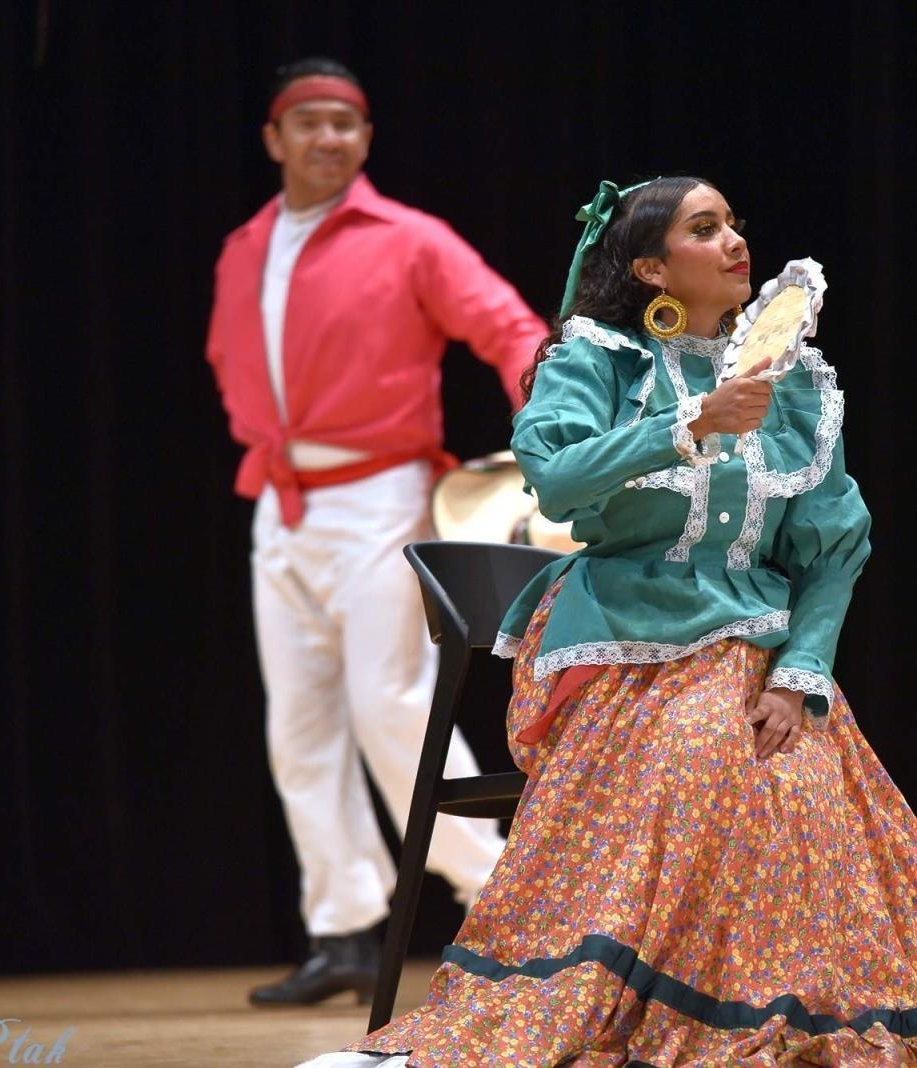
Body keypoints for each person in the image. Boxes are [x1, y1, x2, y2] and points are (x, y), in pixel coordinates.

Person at [299, 177, 917, 1064]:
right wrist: (688, 421)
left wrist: (801, 671)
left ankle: (799, 1007)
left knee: (799, 779)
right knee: (708, 759)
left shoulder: (793, 382)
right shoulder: (600, 361)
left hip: (756, 643)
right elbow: (558, 478)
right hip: (621, 638)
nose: (735, 241)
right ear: (653, 268)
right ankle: (653, 1002)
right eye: (705, 228)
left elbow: (835, 545)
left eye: (733, 224)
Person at [204, 57, 548, 1007]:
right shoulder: (245, 245)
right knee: (298, 726)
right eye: (307, 123)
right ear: (274, 140)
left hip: (383, 493)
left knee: (389, 702)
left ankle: (503, 903)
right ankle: (344, 928)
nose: (327, 138)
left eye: (345, 124)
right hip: (282, 500)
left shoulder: (409, 239)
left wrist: (552, 408)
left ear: (365, 139)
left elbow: (506, 325)